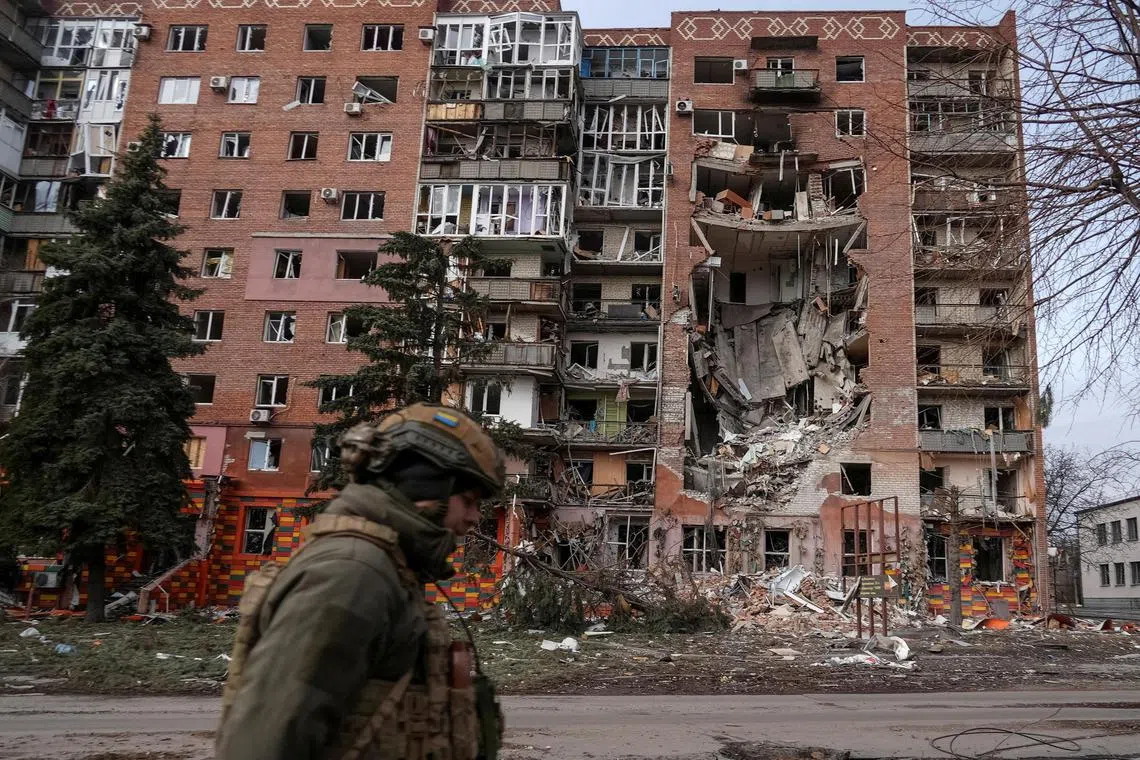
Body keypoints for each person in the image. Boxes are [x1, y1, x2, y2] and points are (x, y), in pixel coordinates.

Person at [215, 403, 506, 760]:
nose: (475, 518)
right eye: (469, 500)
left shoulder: (386, 565)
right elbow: (264, 742)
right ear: (425, 486)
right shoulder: (353, 572)